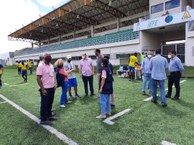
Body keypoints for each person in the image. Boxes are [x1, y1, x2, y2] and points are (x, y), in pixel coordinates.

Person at [36, 53, 57, 125]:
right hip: (45, 88)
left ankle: (49, 115)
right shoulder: (41, 66)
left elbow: (52, 75)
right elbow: (38, 78)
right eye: (47, 59)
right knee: (44, 104)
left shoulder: (51, 65)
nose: (49, 60)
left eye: (50, 59)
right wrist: (43, 89)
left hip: (52, 87)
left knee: (50, 103)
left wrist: (55, 84)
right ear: (44, 59)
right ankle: (43, 119)